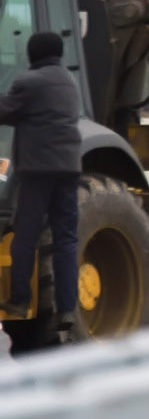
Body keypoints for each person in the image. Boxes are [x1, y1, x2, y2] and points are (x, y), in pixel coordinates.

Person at [0, 32, 83, 340]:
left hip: (37, 171)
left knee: (25, 236)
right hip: (69, 169)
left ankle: (20, 300)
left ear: (32, 52)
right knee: (66, 240)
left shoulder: (29, 82)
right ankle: (66, 308)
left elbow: (5, 112)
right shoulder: (68, 81)